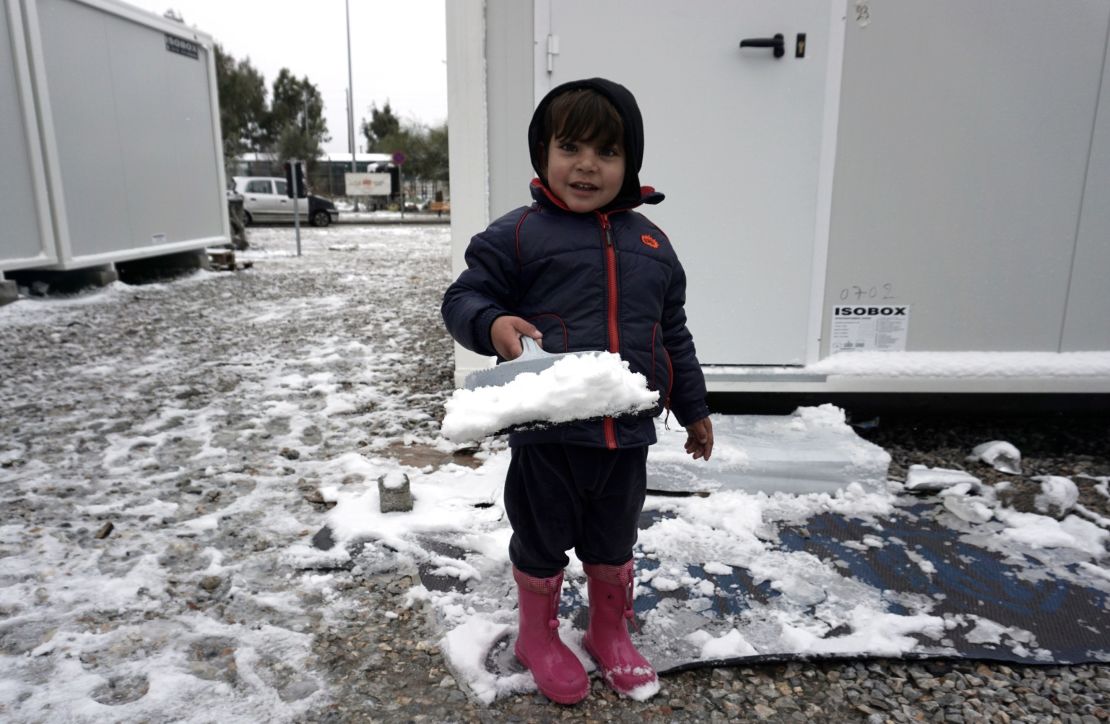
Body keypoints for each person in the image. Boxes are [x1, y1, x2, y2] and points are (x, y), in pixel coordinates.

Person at [441, 78, 713, 704]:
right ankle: (537, 635)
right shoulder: (519, 235)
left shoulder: (653, 245)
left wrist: (694, 409)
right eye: (570, 147)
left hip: (629, 435)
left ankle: (607, 628)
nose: (587, 165)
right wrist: (492, 323)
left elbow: (673, 333)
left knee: (614, 538)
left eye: (607, 152)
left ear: (629, 164)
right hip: (550, 437)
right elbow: (464, 298)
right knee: (540, 538)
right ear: (543, 154)